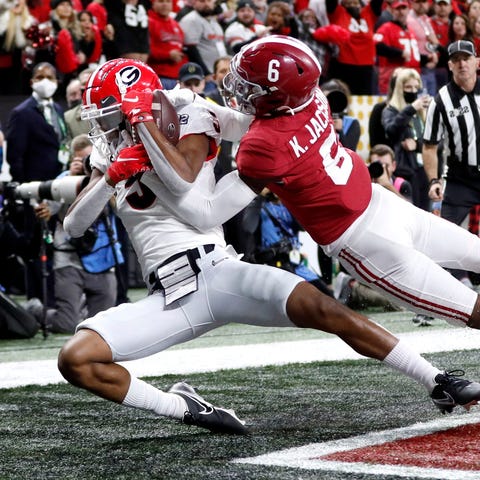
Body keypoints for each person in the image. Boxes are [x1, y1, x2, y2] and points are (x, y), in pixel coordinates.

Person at [57, 58, 480, 437]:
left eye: (112, 114)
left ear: (143, 105)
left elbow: (205, 176)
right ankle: (185, 407)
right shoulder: (111, 147)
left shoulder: (188, 114)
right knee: (75, 359)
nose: (104, 127)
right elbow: (74, 224)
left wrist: (170, 128)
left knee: (325, 309)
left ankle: (437, 379)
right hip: (169, 293)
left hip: (220, 270)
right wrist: (113, 175)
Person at [219, 35, 480, 331]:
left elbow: (213, 204)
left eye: (251, 85)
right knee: (474, 258)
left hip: (362, 239)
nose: (243, 90)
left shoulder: (261, 146)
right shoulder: (314, 98)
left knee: (469, 308)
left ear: (279, 93)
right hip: (383, 204)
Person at [30, 134, 120, 333]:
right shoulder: (64, 180)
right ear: (73, 159)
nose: (87, 164)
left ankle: (83, 312)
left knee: (103, 326)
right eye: (81, 160)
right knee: (68, 324)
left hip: (102, 256)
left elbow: (120, 210)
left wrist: (102, 180)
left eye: (90, 159)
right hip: (69, 259)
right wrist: (71, 180)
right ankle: (35, 310)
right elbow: (47, 209)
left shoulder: (111, 177)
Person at [423, 40, 480, 290]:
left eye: (466, 58)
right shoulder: (441, 100)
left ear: (477, 62)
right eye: (456, 60)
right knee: (440, 236)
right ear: (449, 65)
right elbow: (429, 146)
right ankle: (430, 297)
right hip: (461, 178)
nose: (462, 63)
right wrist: (434, 180)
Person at [381, 67, 431, 210]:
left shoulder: (423, 110)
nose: (413, 91)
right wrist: (410, 109)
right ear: (399, 89)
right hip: (406, 171)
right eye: (408, 87)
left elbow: (436, 142)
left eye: (416, 87)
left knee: (426, 215)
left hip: (425, 170)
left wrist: (417, 144)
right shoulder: (390, 111)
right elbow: (391, 131)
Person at [326, 0, 383, 94]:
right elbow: (331, 3)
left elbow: (377, 3)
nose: (352, 6)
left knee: (364, 102)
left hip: (366, 68)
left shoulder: (369, 13)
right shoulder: (338, 13)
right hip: (344, 67)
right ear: (343, 5)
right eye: (348, 4)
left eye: (355, 3)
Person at [374, 0, 422, 95]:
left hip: (412, 82)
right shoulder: (385, 28)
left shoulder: (410, 31)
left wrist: (428, 59)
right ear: (392, 11)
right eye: (397, 9)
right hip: (392, 82)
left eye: (404, 8)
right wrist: (400, 53)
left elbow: (413, 56)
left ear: (408, 10)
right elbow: (377, 47)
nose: (401, 12)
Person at [147, 0, 188, 90]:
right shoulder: (148, 22)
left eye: (168, 1)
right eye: (161, 1)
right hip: (158, 77)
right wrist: (168, 55)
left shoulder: (175, 24)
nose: (165, 4)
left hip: (178, 78)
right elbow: (145, 51)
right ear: (153, 4)